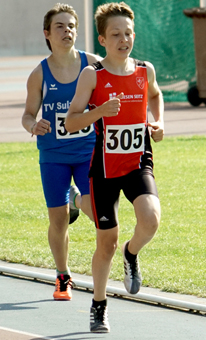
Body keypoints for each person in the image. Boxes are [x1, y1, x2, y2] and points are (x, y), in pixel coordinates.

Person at [65, 1, 164, 333]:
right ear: (103, 39)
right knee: (105, 241)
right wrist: (100, 112)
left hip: (138, 162)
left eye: (129, 33)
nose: (124, 39)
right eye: (116, 34)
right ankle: (99, 305)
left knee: (150, 219)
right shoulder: (93, 75)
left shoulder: (143, 70)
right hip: (104, 169)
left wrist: (158, 121)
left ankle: (132, 254)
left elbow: (156, 95)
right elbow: (71, 120)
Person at [22, 3, 101, 301]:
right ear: (47, 33)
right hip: (53, 155)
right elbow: (27, 114)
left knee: (96, 210)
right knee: (58, 221)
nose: (67, 31)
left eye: (71, 26)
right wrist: (34, 124)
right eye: (60, 26)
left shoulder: (92, 64)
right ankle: (63, 276)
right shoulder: (39, 74)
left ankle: (75, 199)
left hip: (87, 151)